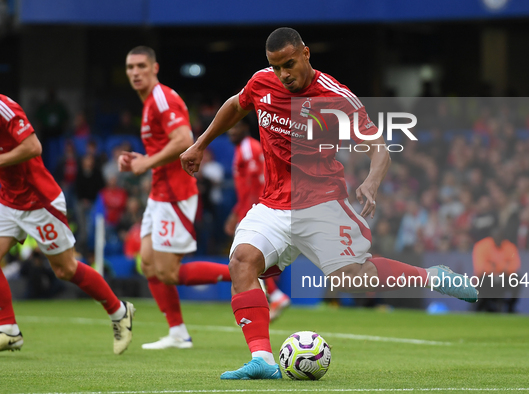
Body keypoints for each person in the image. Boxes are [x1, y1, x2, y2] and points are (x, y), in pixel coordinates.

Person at [180, 27, 478, 380]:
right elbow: (236, 104)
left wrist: (371, 180)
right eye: (276, 67)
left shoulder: (335, 97)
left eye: (289, 64)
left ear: (306, 53)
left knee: (353, 279)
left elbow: (378, 146)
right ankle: (262, 358)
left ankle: (430, 277)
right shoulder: (262, 82)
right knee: (242, 261)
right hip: (273, 204)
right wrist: (200, 143)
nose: (283, 74)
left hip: (321, 203)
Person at [0, 94, 134, 354]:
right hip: (8, 200)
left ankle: (119, 311)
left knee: (65, 269)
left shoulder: (4, 107)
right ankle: (8, 329)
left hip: (39, 201)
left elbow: (33, 147)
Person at [121, 46, 232, 350]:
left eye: (141, 66)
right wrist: (140, 159)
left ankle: (240, 273)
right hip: (159, 193)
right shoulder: (148, 105)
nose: (135, 72)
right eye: (130, 67)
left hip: (175, 193)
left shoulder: (161, 98)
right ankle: (178, 332)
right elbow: (164, 149)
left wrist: (146, 162)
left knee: (169, 272)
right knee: (147, 262)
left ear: (155, 68)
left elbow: (183, 141)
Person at [225, 121, 290, 322]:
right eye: (230, 129)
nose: (231, 133)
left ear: (246, 127)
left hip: (254, 208)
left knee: (243, 258)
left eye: (235, 128)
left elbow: (255, 182)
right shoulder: (247, 147)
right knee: (247, 259)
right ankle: (273, 297)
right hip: (250, 207)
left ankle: (268, 300)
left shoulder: (247, 148)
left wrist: (247, 211)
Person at [472, 227, 521, 313]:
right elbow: (480, 268)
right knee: (483, 279)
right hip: (486, 280)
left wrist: (495, 266)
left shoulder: (509, 247)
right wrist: (503, 266)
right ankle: (483, 306)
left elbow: (515, 266)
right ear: (492, 237)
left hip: (504, 279)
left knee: (517, 279)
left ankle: (510, 307)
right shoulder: (482, 246)